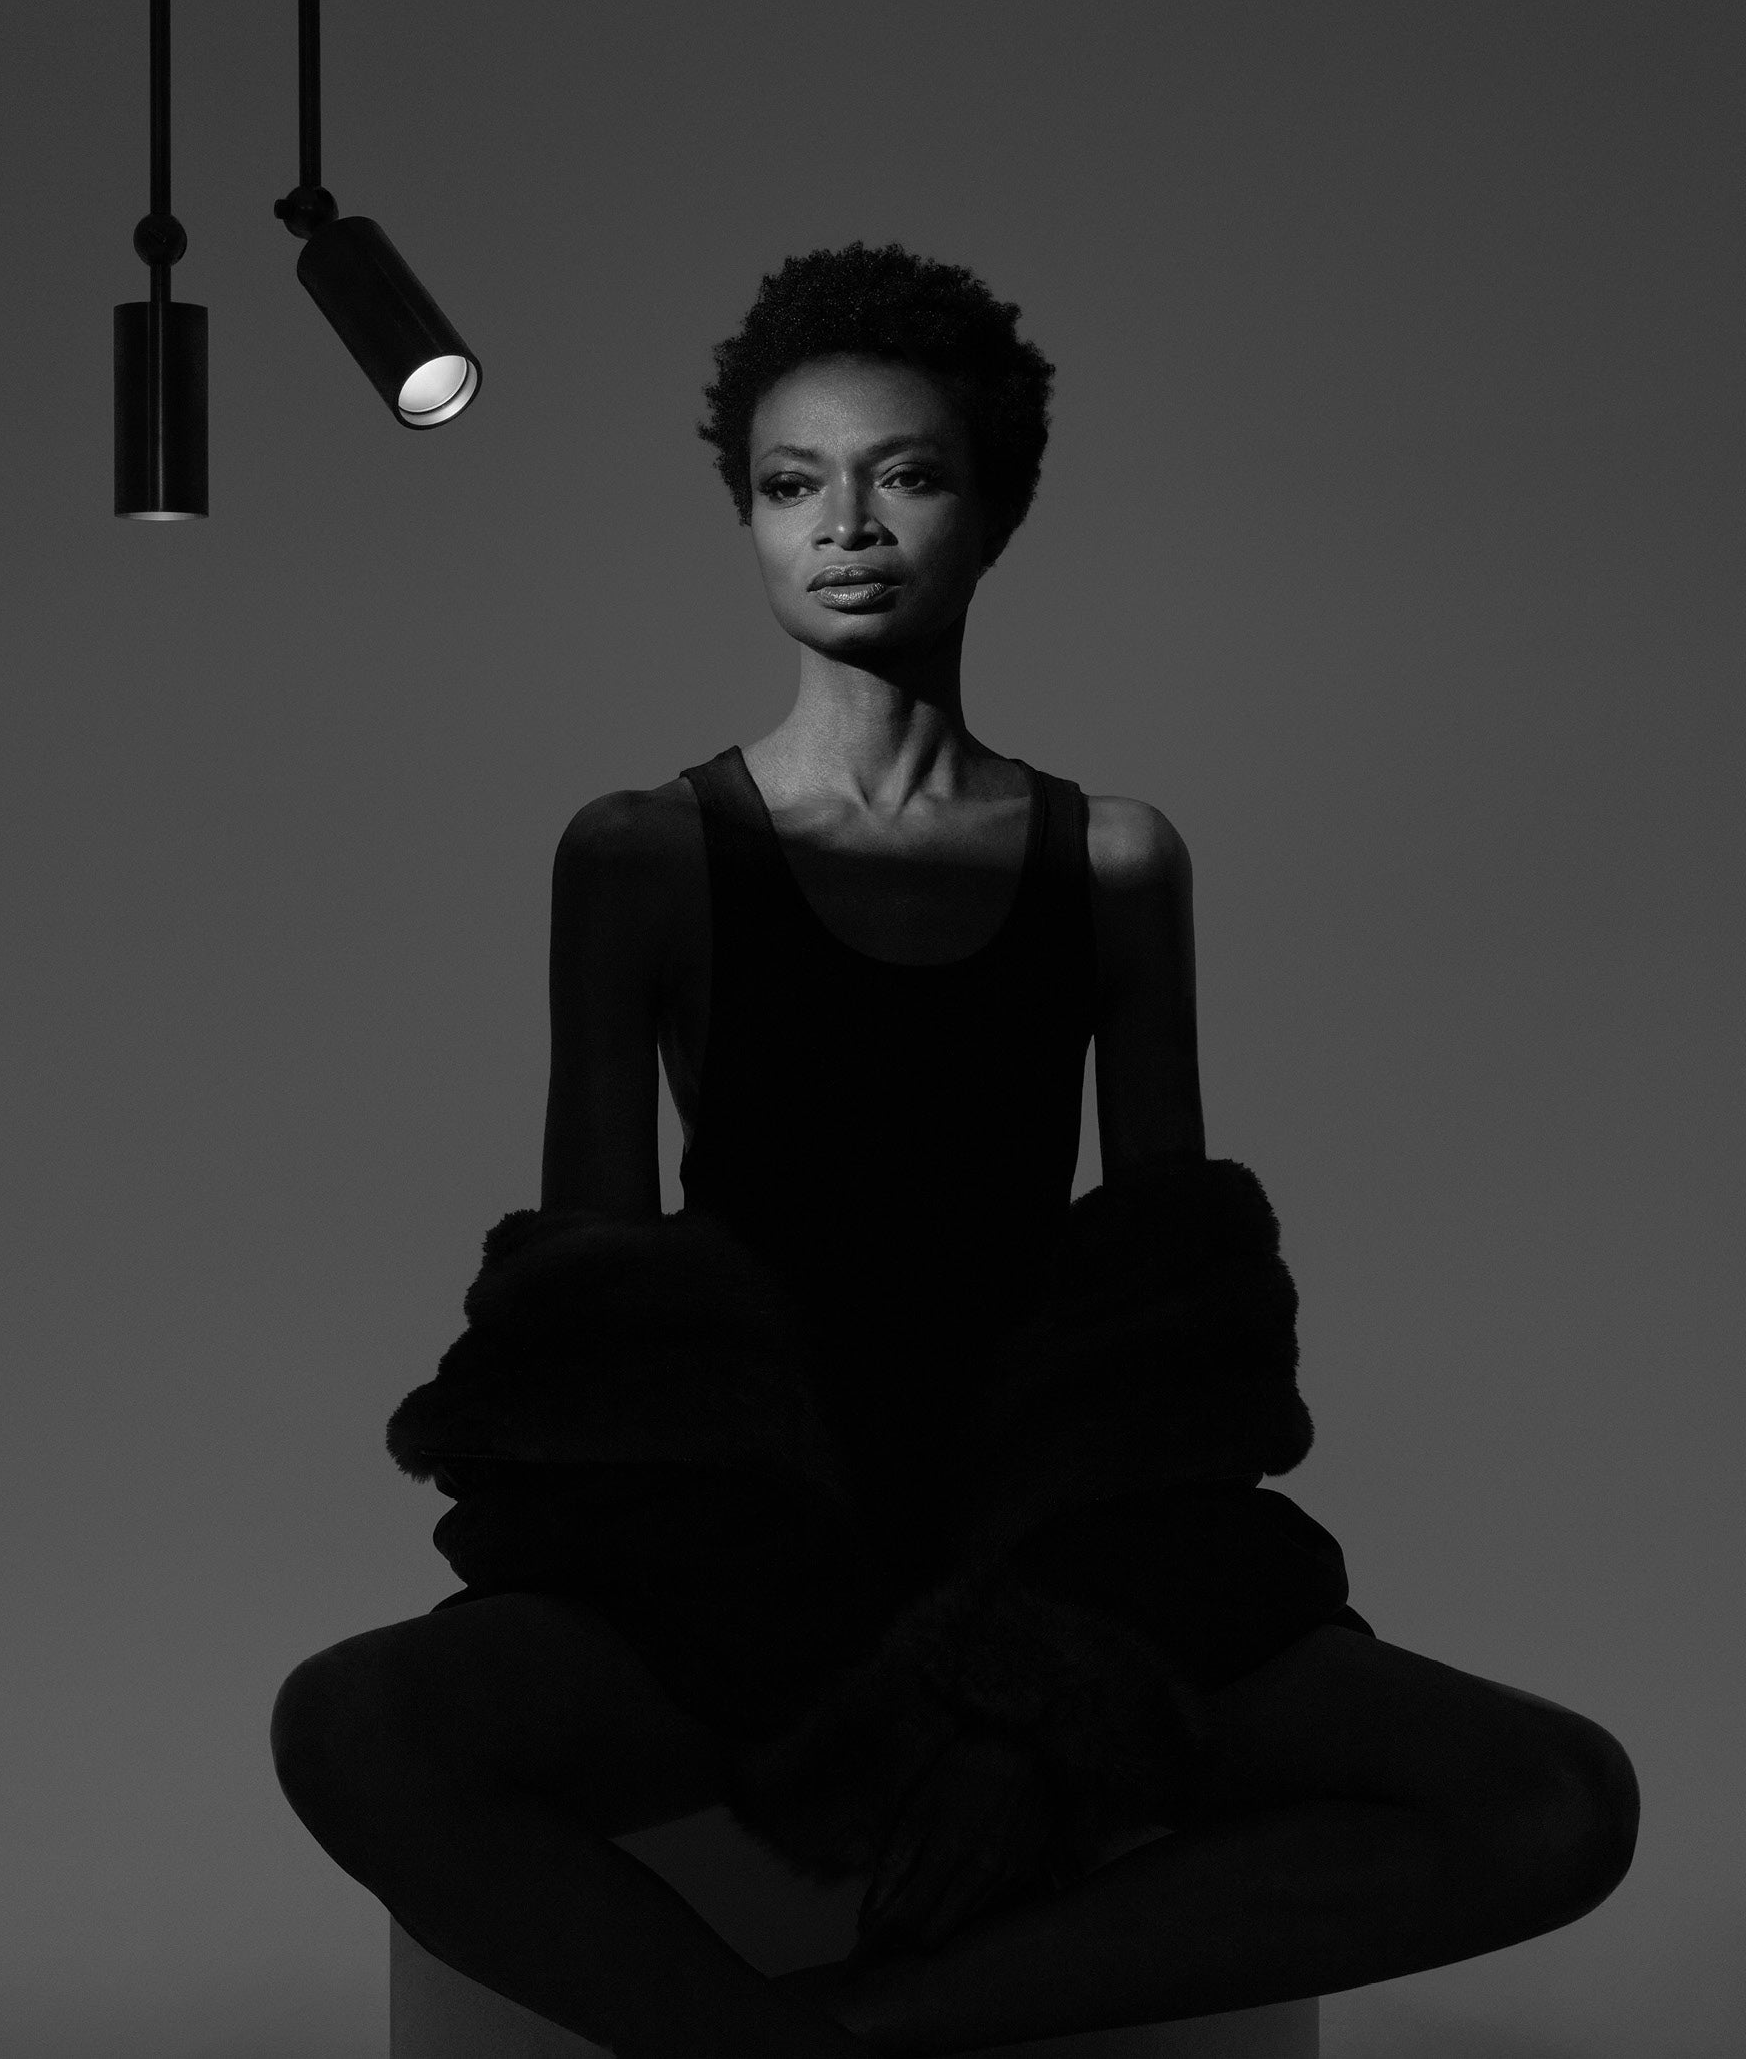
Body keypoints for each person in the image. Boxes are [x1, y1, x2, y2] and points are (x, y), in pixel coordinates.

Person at [270, 243, 1639, 2058]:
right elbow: (593, 1324)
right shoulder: (639, 852)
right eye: (787, 485)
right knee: (353, 1727)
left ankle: (887, 2026)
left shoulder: (1118, 861)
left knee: (1555, 1801)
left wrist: (1031, 1697)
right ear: (748, 523)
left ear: (995, 511)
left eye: (904, 473)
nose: (842, 526)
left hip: (1054, 1530)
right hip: (739, 1548)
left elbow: (1172, 1336)